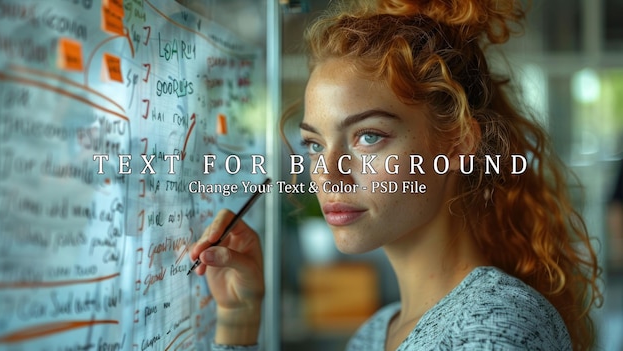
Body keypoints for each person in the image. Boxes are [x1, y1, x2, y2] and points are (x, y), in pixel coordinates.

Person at [190, 0, 602, 349]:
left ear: (457, 143)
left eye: (368, 137)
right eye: (314, 144)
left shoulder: (491, 331)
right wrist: (240, 320)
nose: (328, 174)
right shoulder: (377, 332)